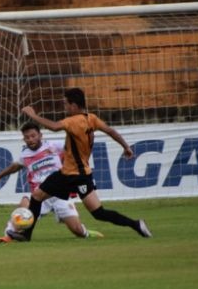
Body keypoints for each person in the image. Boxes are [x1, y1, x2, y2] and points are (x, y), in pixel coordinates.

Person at [17, 87, 151, 241]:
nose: (65, 107)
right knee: (99, 213)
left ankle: (26, 235)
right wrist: (126, 147)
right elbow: (111, 131)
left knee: (36, 196)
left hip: (68, 175)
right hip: (84, 175)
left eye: (66, 104)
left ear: (73, 105)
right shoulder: (91, 118)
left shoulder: (73, 121)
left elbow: (54, 127)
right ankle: (136, 224)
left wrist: (33, 115)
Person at [0, 122, 103, 243]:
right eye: (27, 137)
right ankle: (8, 236)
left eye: (33, 136)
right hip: (40, 196)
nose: (30, 139)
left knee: (77, 230)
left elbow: (74, 148)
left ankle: (86, 233)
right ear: (24, 139)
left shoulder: (54, 146)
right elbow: (15, 167)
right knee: (24, 203)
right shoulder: (24, 155)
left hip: (60, 194)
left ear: (40, 135)